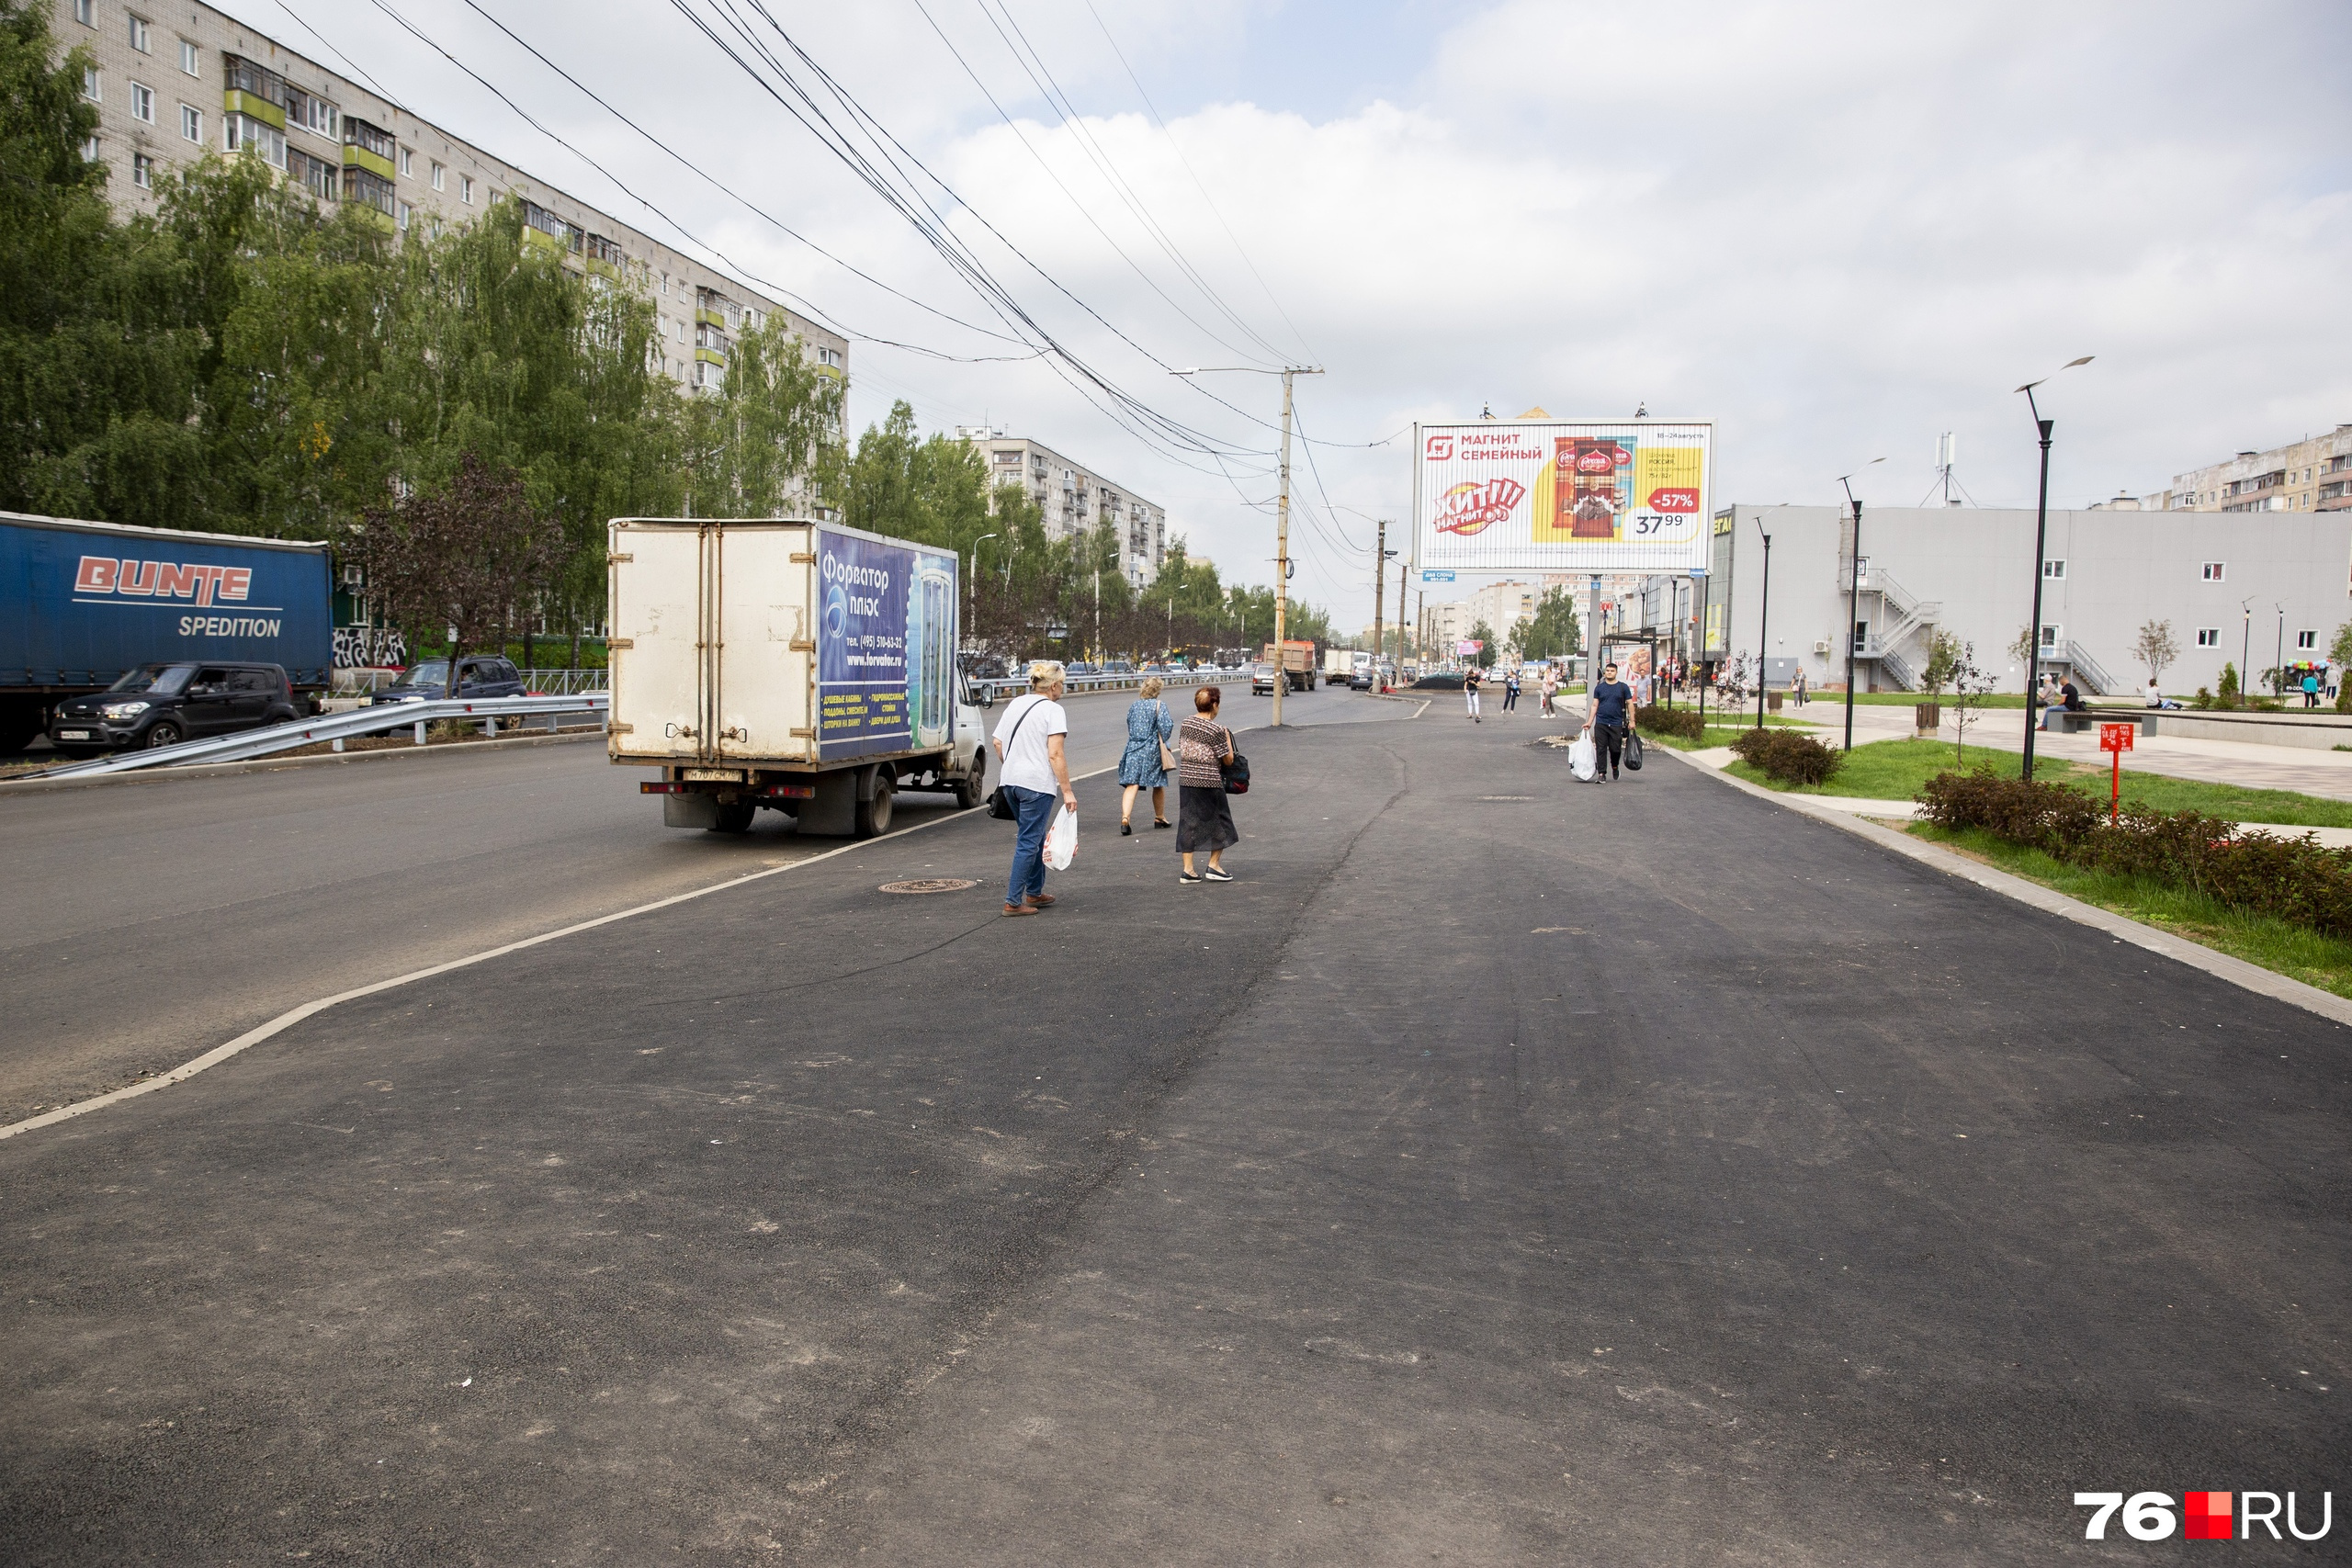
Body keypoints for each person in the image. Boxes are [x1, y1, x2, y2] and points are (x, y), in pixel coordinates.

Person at [991, 660, 1078, 917]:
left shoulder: (1016, 703)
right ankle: (1013, 902)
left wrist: (1014, 766)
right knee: (1029, 842)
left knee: (1035, 836)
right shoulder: (1053, 710)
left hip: (1010, 783)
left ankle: (1035, 892)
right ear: (1053, 686)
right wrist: (1067, 791)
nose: (1063, 688)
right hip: (1036, 785)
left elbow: (997, 743)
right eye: (1062, 684)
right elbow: (1055, 754)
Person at [1176, 685, 1238, 884]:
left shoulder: (1186, 723)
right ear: (1214, 704)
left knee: (1188, 822)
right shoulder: (1218, 729)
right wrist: (1227, 739)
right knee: (1220, 821)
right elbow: (1228, 760)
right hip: (1209, 781)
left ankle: (1188, 871)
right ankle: (1214, 866)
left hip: (1186, 779)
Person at [1117, 676, 1175, 834]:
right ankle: (1159, 817)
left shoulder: (1134, 706)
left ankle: (1125, 818)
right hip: (1152, 750)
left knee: (1132, 784)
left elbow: (1129, 724)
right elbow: (1166, 728)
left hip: (1133, 748)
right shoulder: (1159, 705)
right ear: (1158, 690)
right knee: (1157, 783)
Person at [1586, 660, 1636, 781]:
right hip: (1601, 722)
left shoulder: (1623, 687)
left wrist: (1632, 721)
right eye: (1607, 671)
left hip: (1616, 723)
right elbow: (1594, 705)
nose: (1609, 673)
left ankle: (1615, 766)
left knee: (1615, 749)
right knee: (1601, 748)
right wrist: (1589, 722)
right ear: (1604, 672)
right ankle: (1602, 774)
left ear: (1616, 673)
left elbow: (1630, 704)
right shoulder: (1599, 688)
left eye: (1612, 671)